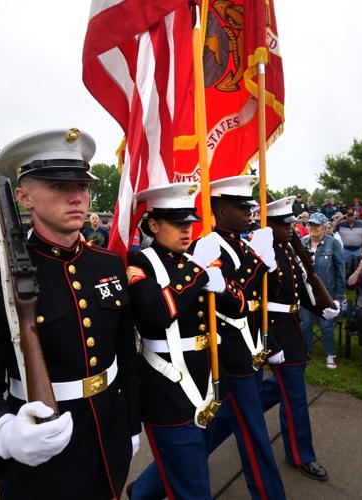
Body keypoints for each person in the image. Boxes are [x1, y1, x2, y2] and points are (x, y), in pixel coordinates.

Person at [0, 127, 140, 498]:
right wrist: (2, 434)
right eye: (57, 186)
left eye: (83, 186)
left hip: (109, 432)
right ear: (23, 197)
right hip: (42, 451)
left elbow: (125, 358)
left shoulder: (108, 265)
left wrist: (131, 425)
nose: (77, 197)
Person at [126, 182, 225, 499]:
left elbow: (234, 306)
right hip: (167, 390)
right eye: (178, 224)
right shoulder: (140, 263)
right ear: (154, 225)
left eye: (190, 224)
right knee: (194, 488)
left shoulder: (191, 262)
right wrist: (199, 272)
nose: (187, 231)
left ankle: (142, 493)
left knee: (192, 464)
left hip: (203, 381)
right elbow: (157, 313)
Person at [204, 175, 286, 499]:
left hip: (252, 344)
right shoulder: (211, 244)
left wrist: (269, 264)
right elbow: (232, 299)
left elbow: (267, 292)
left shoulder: (242, 242)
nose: (250, 211)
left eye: (250, 205)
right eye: (242, 206)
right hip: (230, 349)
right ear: (221, 210)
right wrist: (259, 264)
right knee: (253, 432)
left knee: (217, 425)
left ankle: (148, 487)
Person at [260, 196, 336, 481]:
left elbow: (301, 286)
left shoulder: (288, 248)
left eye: (291, 222)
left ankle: (243, 412)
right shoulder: (262, 251)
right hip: (274, 332)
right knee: (295, 397)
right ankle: (301, 453)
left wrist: (321, 307)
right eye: (283, 223)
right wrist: (270, 341)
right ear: (269, 226)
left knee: (275, 392)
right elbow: (255, 301)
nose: (291, 227)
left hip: (291, 329)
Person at [301, 212, 346, 369]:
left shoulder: (333, 243)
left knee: (326, 325)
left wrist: (339, 297)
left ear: (324, 227)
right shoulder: (302, 242)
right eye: (310, 225)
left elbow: (340, 270)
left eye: (316, 225)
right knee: (305, 324)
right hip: (306, 292)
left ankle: (330, 354)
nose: (312, 228)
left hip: (327, 292)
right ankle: (307, 351)